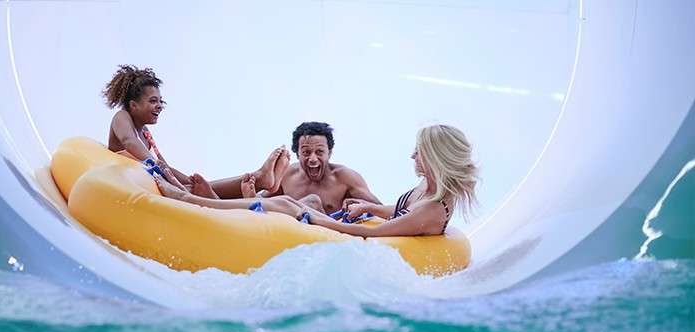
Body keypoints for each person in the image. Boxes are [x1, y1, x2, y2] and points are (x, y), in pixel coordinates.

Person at [154, 124, 479, 237]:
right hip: (317, 218)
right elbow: (394, 211)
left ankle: (194, 200)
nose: (411, 157)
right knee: (278, 197)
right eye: (305, 152)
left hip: (343, 235)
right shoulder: (427, 190)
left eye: (418, 152)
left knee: (293, 203)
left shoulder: (433, 208)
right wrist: (367, 207)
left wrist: (316, 218)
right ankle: (190, 187)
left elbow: (380, 233)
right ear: (296, 152)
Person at [103, 64, 289, 199]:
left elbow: (165, 166)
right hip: (130, 183)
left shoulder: (145, 133)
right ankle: (260, 180)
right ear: (133, 105)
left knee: (198, 187)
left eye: (161, 101)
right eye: (153, 101)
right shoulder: (122, 117)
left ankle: (260, 180)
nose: (159, 106)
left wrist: (188, 179)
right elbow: (129, 142)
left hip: (149, 183)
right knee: (197, 192)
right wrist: (163, 171)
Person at [255, 122, 381, 214]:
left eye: (319, 152)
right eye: (306, 152)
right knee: (266, 201)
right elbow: (264, 203)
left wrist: (362, 205)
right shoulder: (288, 175)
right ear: (297, 154)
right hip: (291, 232)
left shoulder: (345, 178)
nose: (313, 159)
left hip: (327, 235)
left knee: (312, 202)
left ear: (329, 153)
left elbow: (381, 209)